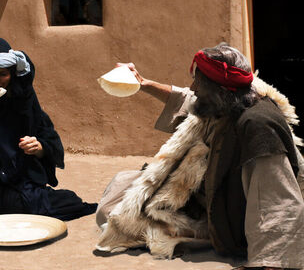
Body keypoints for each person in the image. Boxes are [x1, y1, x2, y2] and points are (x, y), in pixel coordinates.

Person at [96, 43, 304, 270]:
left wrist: (269, 261)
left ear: (219, 88)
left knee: (120, 216)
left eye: (199, 82)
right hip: (202, 193)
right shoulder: (230, 99)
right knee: (120, 185)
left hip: (226, 215)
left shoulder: (257, 125)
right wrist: (143, 83)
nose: (193, 87)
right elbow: (186, 99)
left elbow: (276, 199)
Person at [0, 37, 97, 220]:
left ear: (12, 74)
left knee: (69, 201)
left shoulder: (22, 97)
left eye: (3, 74)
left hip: (17, 182)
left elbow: (48, 136)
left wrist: (39, 148)